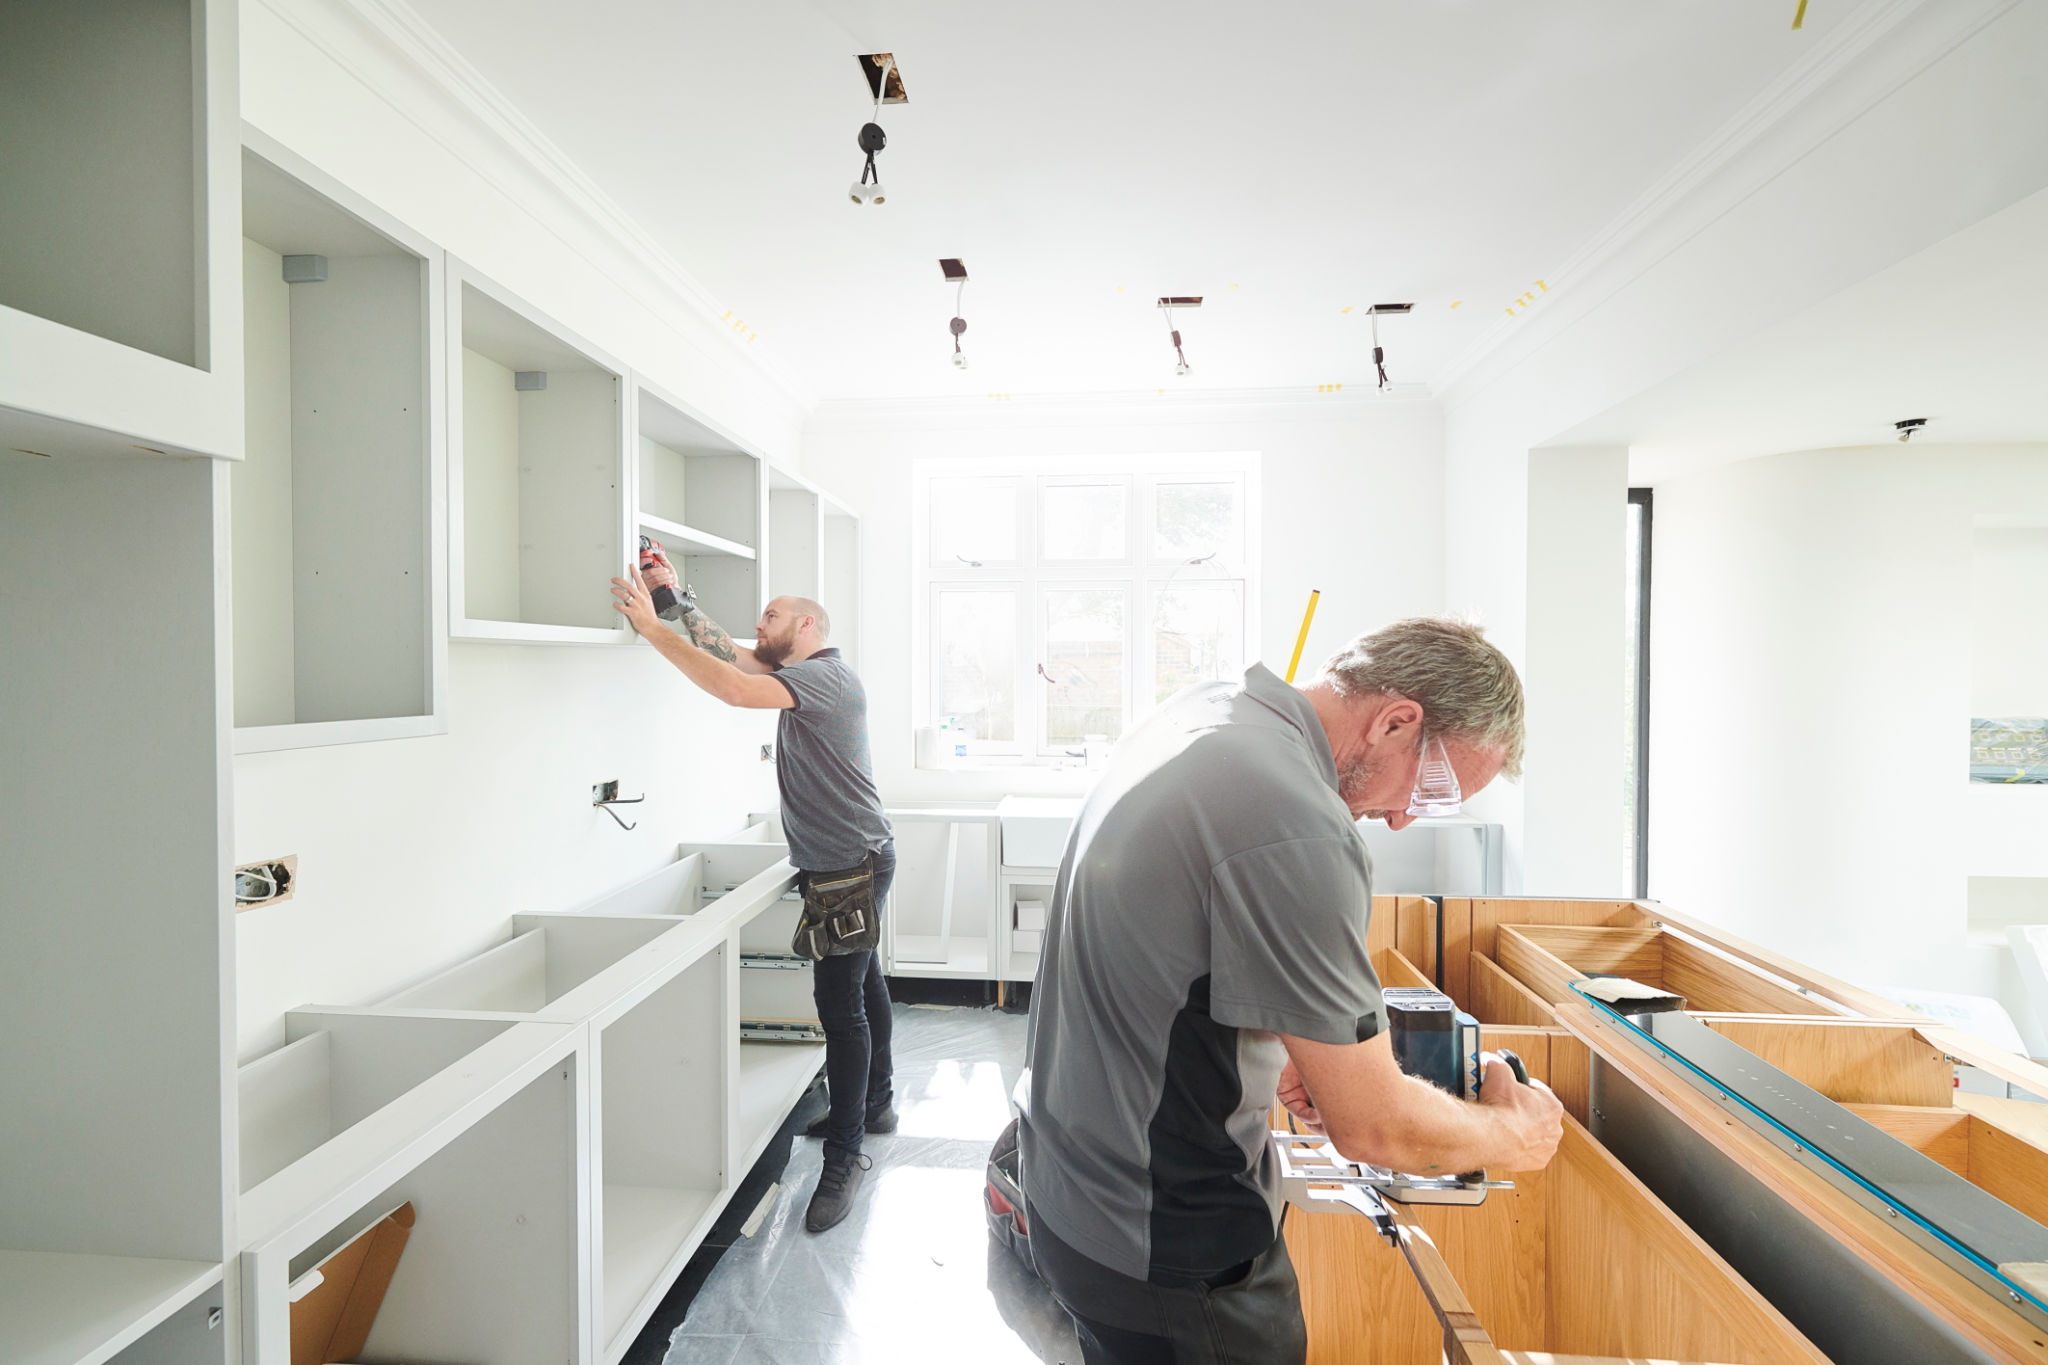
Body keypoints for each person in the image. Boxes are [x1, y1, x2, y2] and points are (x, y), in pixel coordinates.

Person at [1019, 617, 1565, 1364]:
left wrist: (1285, 1050)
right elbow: (1377, 1129)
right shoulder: (1297, 824)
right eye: (1431, 786)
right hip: (1172, 1249)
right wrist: (1516, 1133)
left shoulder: (1210, 711)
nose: (1405, 819)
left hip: (1071, 1195)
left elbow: (1166, 940)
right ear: (1396, 719)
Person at [612, 568, 896, 1234]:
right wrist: (676, 598)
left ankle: (846, 1155)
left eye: (770, 615)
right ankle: (877, 1103)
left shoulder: (828, 676)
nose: (758, 625)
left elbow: (737, 687)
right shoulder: (803, 674)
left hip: (849, 865)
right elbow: (734, 655)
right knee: (865, 979)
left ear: (807, 625)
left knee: (840, 1004)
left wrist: (651, 629)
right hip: (849, 858)